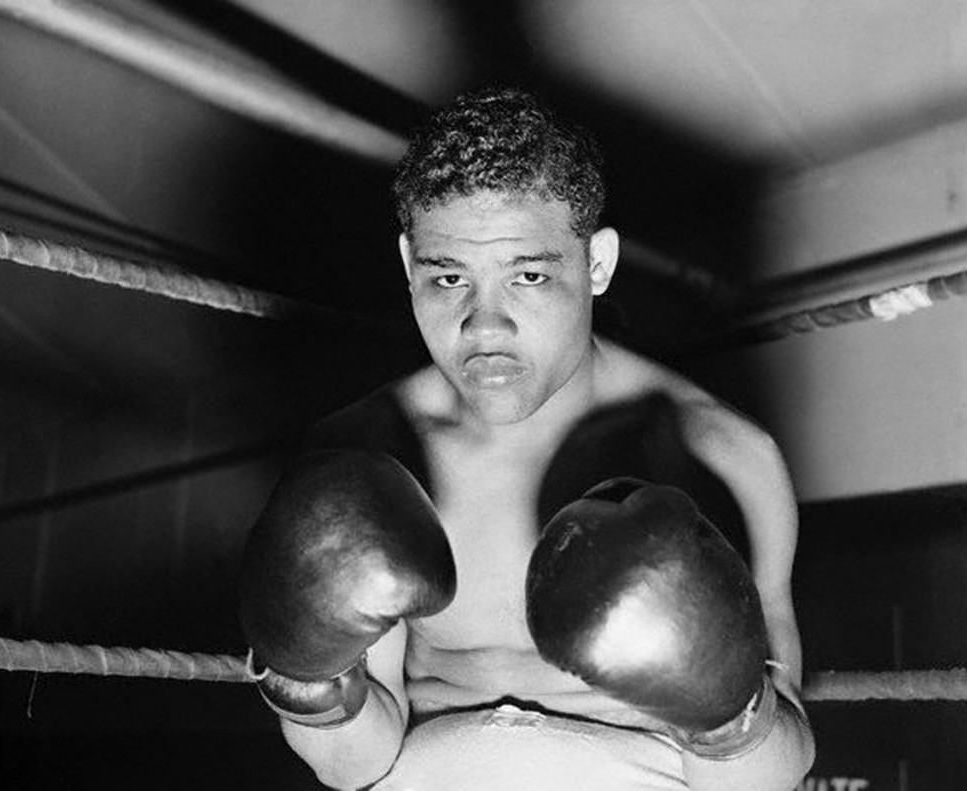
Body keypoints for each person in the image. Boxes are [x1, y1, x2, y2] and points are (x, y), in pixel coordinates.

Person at [238, 87, 815, 790]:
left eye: (529, 275)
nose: (484, 327)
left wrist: (722, 710)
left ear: (597, 265)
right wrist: (307, 678)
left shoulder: (721, 453)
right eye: (449, 277)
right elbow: (355, 765)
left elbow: (769, 776)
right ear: (407, 263)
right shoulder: (367, 453)